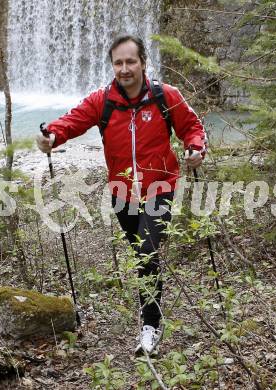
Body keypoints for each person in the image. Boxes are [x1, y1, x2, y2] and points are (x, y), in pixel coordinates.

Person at [36, 35, 206, 355]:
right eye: (118, 62)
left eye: (131, 61)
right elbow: (73, 121)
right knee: (140, 254)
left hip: (160, 188)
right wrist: (52, 135)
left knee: (147, 252)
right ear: (112, 65)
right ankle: (149, 307)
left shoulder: (164, 96)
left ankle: (150, 326)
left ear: (143, 62)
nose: (125, 68)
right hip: (122, 191)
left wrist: (196, 149)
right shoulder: (103, 100)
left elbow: (192, 128)